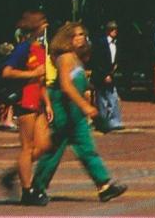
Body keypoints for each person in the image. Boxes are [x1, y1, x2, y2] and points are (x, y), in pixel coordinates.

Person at [31, 22, 127, 204]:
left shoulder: (77, 58)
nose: (82, 37)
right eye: (77, 35)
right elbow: (66, 86)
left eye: (83, 34)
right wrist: (85, 106)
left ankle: (104, 185)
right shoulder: (65, 57)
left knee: (86, 147)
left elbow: (79, 84)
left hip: (74, 110)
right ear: (68, 38)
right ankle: (37, 186)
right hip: (64, 108)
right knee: (56, 149)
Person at [0, 10, 53, 205]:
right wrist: (29, 74)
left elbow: (42, 79)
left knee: (44, 145)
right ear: (35, 26)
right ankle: (27, 189)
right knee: (27, 147)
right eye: (43, 22)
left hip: (37, 100)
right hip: (25, 100)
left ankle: (15, 172)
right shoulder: (23, 48)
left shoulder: (40, 47)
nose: (46, 25)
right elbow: (6, 72)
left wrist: (47, 103)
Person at [90, 21, 123, 132]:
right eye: (113, 30)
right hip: (101, 75)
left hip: (111, 74)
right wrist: (104, 75)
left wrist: (113, 72)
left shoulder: (116, 44)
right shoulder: (100, 43)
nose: (116, 32)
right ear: (109, 31)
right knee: (101, 100)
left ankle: (114, 121)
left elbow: (115, 59)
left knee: (113, 97)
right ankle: (103, 122)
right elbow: (97, 60)